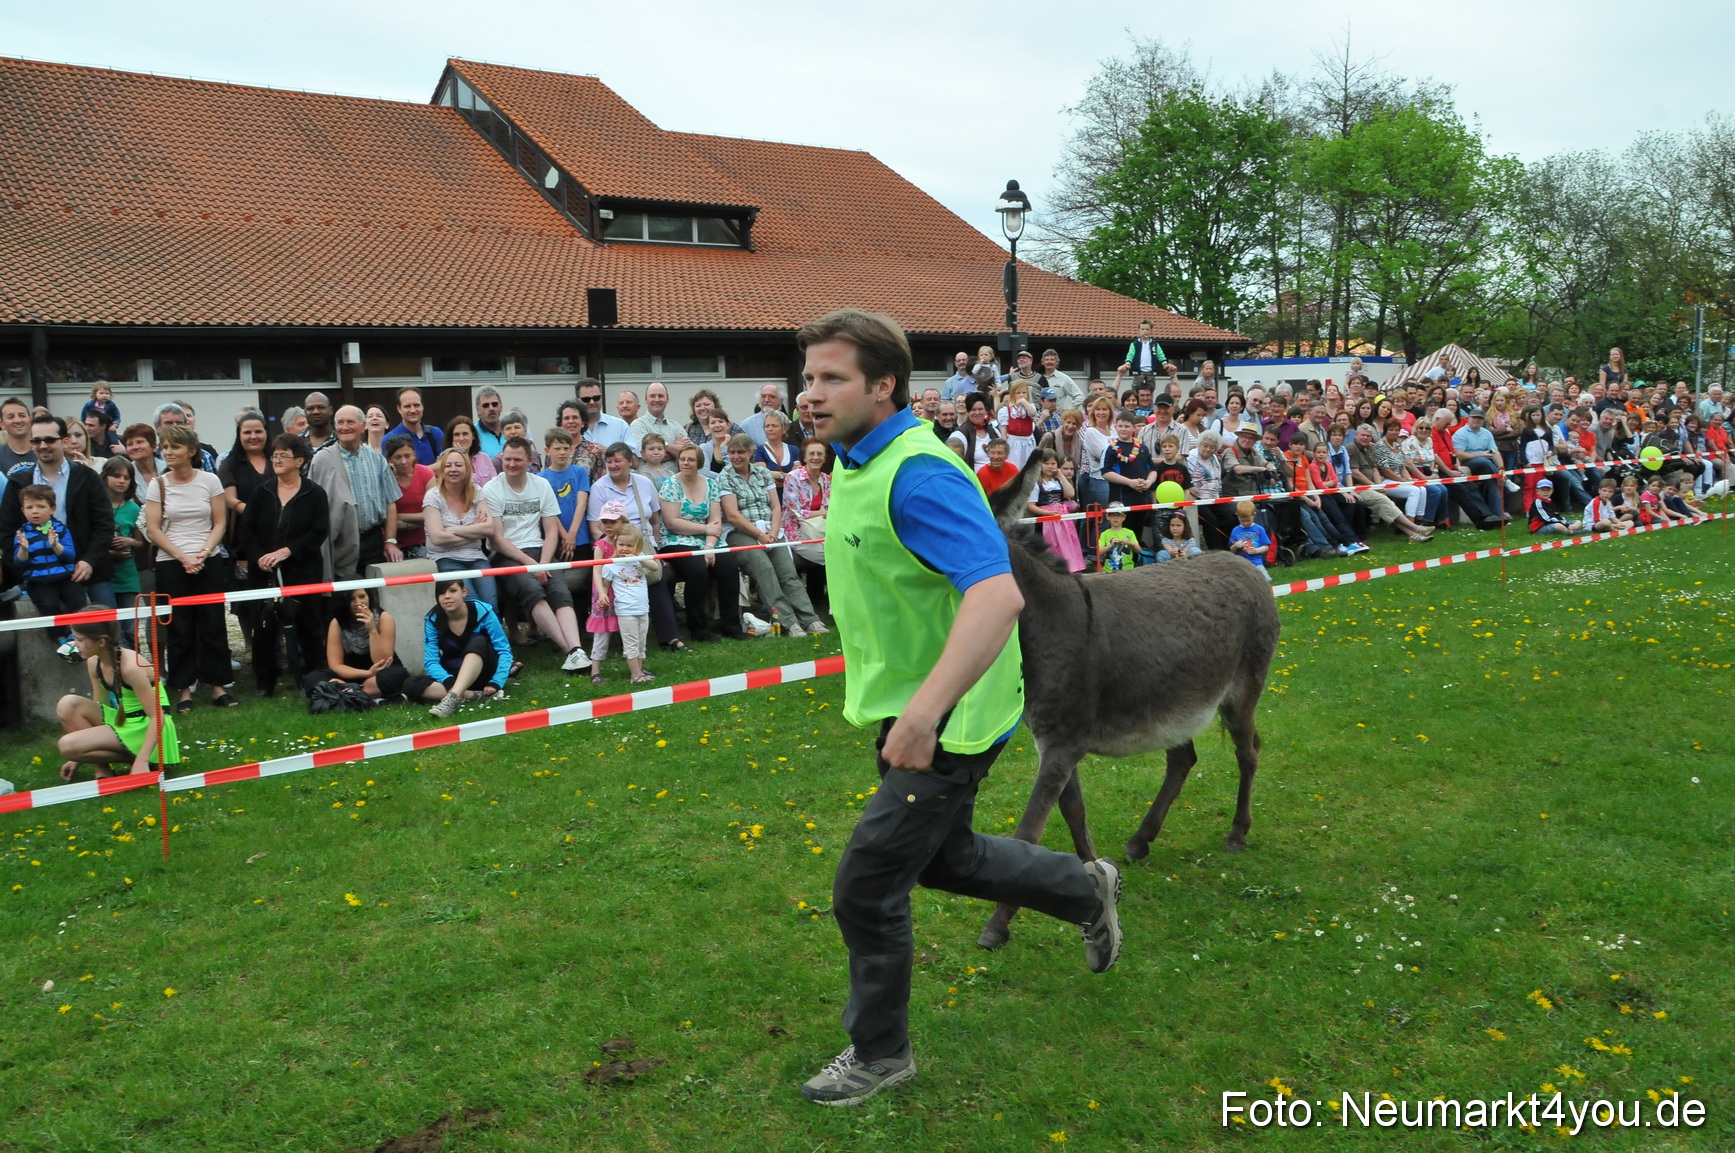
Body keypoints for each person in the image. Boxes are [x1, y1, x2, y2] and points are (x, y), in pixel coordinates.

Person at [793, 309, 1117, 1106]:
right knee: (943, 857)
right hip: (913, 705)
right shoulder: (855, 457)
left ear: (883, 386)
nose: (810, 393)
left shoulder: (921, 471)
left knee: (866, 885)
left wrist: (924, 713)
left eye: (830, 377)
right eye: (807, 377)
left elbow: (997, 595)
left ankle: (880, 1052)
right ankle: (1084, 888)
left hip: (949, 716)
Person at [143, 424, 237, 711]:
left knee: (213, 622)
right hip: (172, 562)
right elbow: (154, 528)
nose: (168, 452)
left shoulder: (210, 480)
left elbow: (220, 522)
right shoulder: (157, 484)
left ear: (192, 451)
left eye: (175, 447)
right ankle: (184, 690)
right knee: (180, 627)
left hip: (208, 560)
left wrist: (204, 552)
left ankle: (219, 686)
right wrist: (183, 557)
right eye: (165, 447)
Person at [481, 437, 591, 674]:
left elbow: (551, 531)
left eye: (517, 460)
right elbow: (497, 539)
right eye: (507, 459)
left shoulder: (541, 485)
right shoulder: (492, 488)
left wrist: (542, 563)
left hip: (541, 552)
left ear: (529, 460)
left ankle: (577, 649)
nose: (511, 464)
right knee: (533, 591)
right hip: (508, 554)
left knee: (560, 592)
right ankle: (569, 651)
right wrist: (531, 565)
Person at [237, 434, 330, 696]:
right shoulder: (261, 492)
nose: (276, 460)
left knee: (309, 627)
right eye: (274, 455)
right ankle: (265, 682)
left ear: (299, 461)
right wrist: (260, 557)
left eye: (283, 455)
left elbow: (318, 532)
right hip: (264, 573)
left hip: (302, 571)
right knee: (265, 629)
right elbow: (247, 532)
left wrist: (287, 551)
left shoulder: (314, 493)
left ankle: (311, 679)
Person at [0, 414, 116, 612]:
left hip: (89, 572)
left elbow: (104, 524)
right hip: (39, 579)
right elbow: (6, 531)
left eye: (49, 439)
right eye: (36, 440)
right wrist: (26, 568)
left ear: (65, 441)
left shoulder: (87, 477)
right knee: (48, 639)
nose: (43, 445)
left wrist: (89, 561)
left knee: (107, 632)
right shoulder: (19, 482)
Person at [719, 433, 828, 637]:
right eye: (732, 452)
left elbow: (776, 506)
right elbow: (733, 515)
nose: (736, 456)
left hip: (770, 529)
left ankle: (810, 618)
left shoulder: (761, 473)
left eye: (740, 452)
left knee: (788, 572)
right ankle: (787, 621)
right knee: (765, 570)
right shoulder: (725, 476)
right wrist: (760, 534)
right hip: (740, 532)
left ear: (751, 453)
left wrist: (773, 532)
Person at [588, 442, 686, 651]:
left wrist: (654, 546)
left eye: (618, 461)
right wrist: (614, 549)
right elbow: (596, 527)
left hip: (643, 545)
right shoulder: (599, 487)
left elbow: (656, 520)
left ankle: (670, 637)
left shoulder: (643, 482)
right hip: (614, 549)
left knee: (658, 580)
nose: (613, 465)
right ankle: (618, 641)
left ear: (630, 461)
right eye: (609, 461)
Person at [54, 619, 180, 781]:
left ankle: (144, 760)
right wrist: (79, 755)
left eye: (80, 639)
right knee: (67, 704)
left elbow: (157, 716)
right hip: (126, 721)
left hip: (147, 725)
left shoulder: (131, 667)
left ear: (101, 641)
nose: (75, 644)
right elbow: (101, 706)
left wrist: (142, 761)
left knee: (67, 745)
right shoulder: (94, 662)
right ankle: (102, 770)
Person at [658, 443, 745, 641]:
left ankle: (731, 625)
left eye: (691, 459)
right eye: (682, 459)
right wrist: (706, 530)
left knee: (730, 568)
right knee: (697, 570)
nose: (686, 463)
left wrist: (709, 546)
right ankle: (699, 629)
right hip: (676, 538)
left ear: (699, 463)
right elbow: (673, 523)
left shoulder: (710, 484)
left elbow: (715, 519)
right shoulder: (670, 485)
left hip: (707, 539)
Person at [411, 578, 514, 719]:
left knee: (478, 641)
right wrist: (448, 681)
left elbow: (504, 651)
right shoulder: (432, 619)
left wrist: (497, 681)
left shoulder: (483, 611)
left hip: (484, 672)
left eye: (453, 591)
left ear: (464, 592)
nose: (447, 596)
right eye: (441, 593)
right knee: (410, 684)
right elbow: (431, 661)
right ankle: (474, 695)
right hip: (453, 676)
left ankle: (451, 699)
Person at [11, 484, 87, 658]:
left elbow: (70, 555)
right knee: (48, 604)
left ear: (52, 509)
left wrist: (55, 545)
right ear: (23, 511)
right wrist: (23, 549)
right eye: (29, 507)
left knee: (77, 600)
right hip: (39, 581)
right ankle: (59, 636)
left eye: (40, 506)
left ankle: (73, 634)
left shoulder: (60, 529)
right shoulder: (22, 533)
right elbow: (18, 562)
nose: (35, 511)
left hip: (64, 577)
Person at [423, 448, 499, 609]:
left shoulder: (477, 492)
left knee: (491, 604)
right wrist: (473, 530)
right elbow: (437, 538)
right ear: (442, 469)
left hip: (476, 557)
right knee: (473, 605)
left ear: (467, 469)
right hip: (445, 559)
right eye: (448, 465)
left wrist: (452, 530)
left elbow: (489, 529)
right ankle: (476, 635)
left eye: (458, 465)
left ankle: (493, 634)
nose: (453, 469)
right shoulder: (433, 496)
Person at [329, 405, 401, 569]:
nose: (345, 427)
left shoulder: (378, 460)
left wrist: (390, 541)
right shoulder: (324, 460)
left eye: (350, 422)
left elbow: (391, 502)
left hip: (372, 539)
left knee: (375, 592)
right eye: (340, 422)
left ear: (363, 426)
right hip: (340, 542)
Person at [303, 588, 409, 699]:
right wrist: (367, 673)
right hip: (350, 674)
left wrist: (372, 630)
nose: (358, 603)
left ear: (369, 596)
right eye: (352, 599)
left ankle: (347, 694)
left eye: (362, 596)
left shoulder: (384, 617)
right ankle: (361, 694)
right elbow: (335, 665)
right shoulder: (337, 622)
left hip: (381, 672)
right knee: (313, 678)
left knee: (393, 678)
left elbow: (382, 662)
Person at [590, 523, 660, 684]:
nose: (625, 548)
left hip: (642, 608)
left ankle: (639, 671)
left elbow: (655, 567)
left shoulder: (639, 558)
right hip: (626, 611)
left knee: (641, 644)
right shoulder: (611, 564)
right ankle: (635, 675)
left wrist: (638, 558)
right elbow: (605, 585)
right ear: (615, 545)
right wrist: (602, 597)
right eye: (621, 544)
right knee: (631, 644)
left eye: (630, 545)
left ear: (637, 546)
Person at [540, 427, 594, 616]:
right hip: (558, 540)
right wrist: (564, 535)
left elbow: (582, 502)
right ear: (547, 451)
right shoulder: (542, 478)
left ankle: (584, 623)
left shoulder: (579, 472)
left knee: (584, 582)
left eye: (565, 448)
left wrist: (572, 533)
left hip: (580, 537)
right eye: (557, 448)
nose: (562, 452)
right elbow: (550, 511)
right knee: (562, 583)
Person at [782, 438, 831, 610]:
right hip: (797, 535)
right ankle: (837, 603)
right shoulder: (792, 478)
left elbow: (831, 506)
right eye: (812, 454)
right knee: (834, 556)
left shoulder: (825, 480)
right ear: (804, 457)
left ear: (825, 458)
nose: (816, 457)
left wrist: (826, 513)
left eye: (819, 454)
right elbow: (796, 513)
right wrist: (823, 513)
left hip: (821, 533)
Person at [1024, 449, 1085, 572]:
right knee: (1051, 544)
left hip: (1061, 517)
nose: (1050, 467)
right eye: (1046, 463)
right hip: (1046, 519)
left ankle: (1070, 567)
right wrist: (1048, 513)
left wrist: (1061, 475)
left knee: (1066, 542)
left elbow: (1070, 493)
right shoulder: (1037, 483)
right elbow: (1030, 505)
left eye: (1053, 464)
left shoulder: (1057, 481)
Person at [101, 456, 146, 599]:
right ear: (105, 476)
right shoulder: (95, 506)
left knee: (130, 620)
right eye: (116, 476)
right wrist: (109, 553)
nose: (121, 481)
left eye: (126, 478)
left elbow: (140, 542)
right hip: (102, 575)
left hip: (127, 576)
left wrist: (130, 542)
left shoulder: (134, 509)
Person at [383, 435, 432, 559]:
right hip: (393, 545)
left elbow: (434, 513)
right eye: (398, 457)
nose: (403, 461)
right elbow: (383, 519)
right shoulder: (385, 478)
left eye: (407, 456)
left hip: (423, 542)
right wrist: (420, 521)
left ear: (414, 455)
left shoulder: (425, 473)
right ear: (389, 459)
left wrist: (399, 518)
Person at [385, 387, 442, 464]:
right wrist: (435, 467)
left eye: (416, 405)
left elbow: (446, 466)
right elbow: (394, 474)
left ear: (422, 406)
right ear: (399, 409)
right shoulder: (390, 439)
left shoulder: (435, 433)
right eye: (407, 406)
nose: (413, 410)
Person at [576, 377, 631, 451]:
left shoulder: (620, 426)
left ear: (601, 397)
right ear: (577, 400)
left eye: (596, 398)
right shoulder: (570, 427)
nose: (592, 402)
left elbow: (635, 459)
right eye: (586, 399)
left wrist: (608, 452)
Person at [946, 393, 999, 468]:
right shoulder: (959, 435)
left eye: (980, 409)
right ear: (967, 412)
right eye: (973, 410)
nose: (977, 413)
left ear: (986, 411)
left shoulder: (994, 432)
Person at [629, 382, 685, 452]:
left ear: (667, 399)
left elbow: (690, 453)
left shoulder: (676, 427)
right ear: (646, 399)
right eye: (652, 396)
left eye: (661, 396)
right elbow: (644, 455)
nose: (657, 399)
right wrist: (677, 449)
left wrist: (657, 449)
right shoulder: (637, 425)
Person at [444, 414, 497, 485]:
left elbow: (495, 484)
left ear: (473, 436)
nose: (461, 438)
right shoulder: (445, 461)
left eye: (465, 434)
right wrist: (460, 455)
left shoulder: (485, 458)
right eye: (457, 434)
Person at [1227, 500, 1273, 580]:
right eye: (1242, 520)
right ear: (1237, 516)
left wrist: (1256, 550)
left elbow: (1266, 547)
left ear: (1254, 515)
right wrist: (1235, 545)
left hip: (1256, 562)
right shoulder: (1235, 530)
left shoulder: (1259, 529)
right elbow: (1231, 550)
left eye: (1248, 520)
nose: (1245, 523)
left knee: (1265, 579)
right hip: (1240, 562)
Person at [996, 381, 1038, 467]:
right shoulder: (1007, 410)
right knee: (1014, 465)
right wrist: (1003, 445)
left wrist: (1024, 402)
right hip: (1013, 442)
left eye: (1024, 392)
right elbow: (1004, 429)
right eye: (1018, 393)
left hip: (1027, 442)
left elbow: (1033, 413)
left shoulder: (1029, 407)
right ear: (1013, 395)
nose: (1021, 395)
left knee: (1027, 466)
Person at [752, 410, 798, 483]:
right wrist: (784, 475)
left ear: (784, 429)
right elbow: (761, 474)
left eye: (774, 426)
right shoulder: (759, 450)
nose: (770, 429)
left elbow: (798, 475)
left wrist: (773, 474)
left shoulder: (794, 450)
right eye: (767, 426)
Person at [742, 383, 788, 448]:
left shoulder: (788, 424)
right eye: (763, 396)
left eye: (772, 397)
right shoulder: (746, 425)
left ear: (780, 401)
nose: (766, 400)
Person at [1, 396, 36, 475]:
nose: (17, 420)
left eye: (22, 415)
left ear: (30, 420)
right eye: (11, 417)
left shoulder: (44, 450)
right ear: (2, 424)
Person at [474, 386, 507, 457]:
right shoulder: (472, 433)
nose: (491, 408)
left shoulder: (512, 431)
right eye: (486, 405)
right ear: (478, 409)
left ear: (501, 407)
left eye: (494, 404)